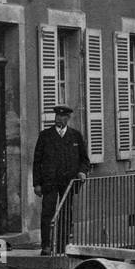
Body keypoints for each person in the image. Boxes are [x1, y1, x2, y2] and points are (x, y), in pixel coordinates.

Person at [33, 104, 90, 255]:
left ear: (68, 118)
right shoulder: (45, 135)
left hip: (68, 182)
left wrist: (82, 172)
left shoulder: (75, 136)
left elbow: (85, 160)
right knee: (47, 213)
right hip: (49, 182)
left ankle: (62, 245)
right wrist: (37, 184)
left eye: (63, 117)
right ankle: (46, 245)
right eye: (57, 116)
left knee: (65, 213)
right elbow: (37, 161)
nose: (59, 119)